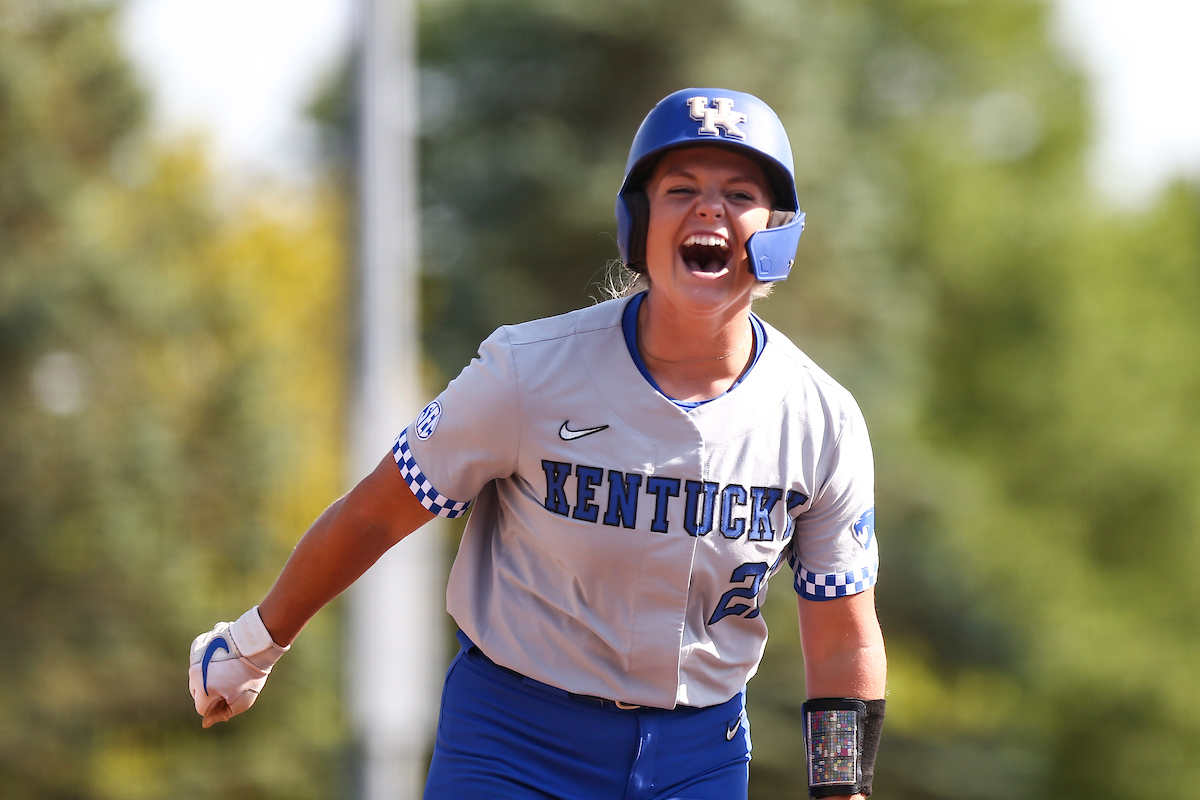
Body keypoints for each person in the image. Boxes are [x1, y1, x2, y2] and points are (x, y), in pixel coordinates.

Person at [189, 88, 886, 800]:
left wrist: (843, 793)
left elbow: (842, 639)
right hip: (513, 740)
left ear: (776, 232)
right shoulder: (528, 372)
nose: (709, 208)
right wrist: (254, 642)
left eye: (739, 193)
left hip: (698, 756)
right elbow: (375, 512)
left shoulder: (820, 419)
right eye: (680, 190)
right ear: (638, 223)